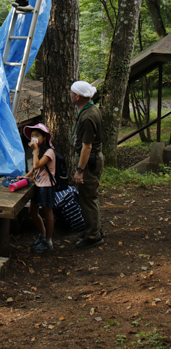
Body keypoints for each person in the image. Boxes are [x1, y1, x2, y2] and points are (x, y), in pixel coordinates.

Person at [70, 80, 105, 249]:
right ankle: (93, 227)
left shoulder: (88, 116)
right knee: (88, 196)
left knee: (89, 198)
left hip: (89, 162)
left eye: (71, 93)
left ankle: (93, 236)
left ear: (77, 96)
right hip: (90, 159)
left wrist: (79, 170)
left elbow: (87, 147)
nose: (69, 95)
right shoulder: (89, 109)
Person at [23, 123, 56, 252]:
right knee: (32, 212)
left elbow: (37, 165)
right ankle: (42, 235)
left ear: (44, 137)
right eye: (32, 136)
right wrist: (26, 176)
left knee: (47, 213)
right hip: (38, 184)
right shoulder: (40, 151)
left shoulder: (49, 152)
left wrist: (35, 150)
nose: (34, 138)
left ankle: (48, 241)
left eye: (37, 135)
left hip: (47, 187)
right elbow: (36, 169)